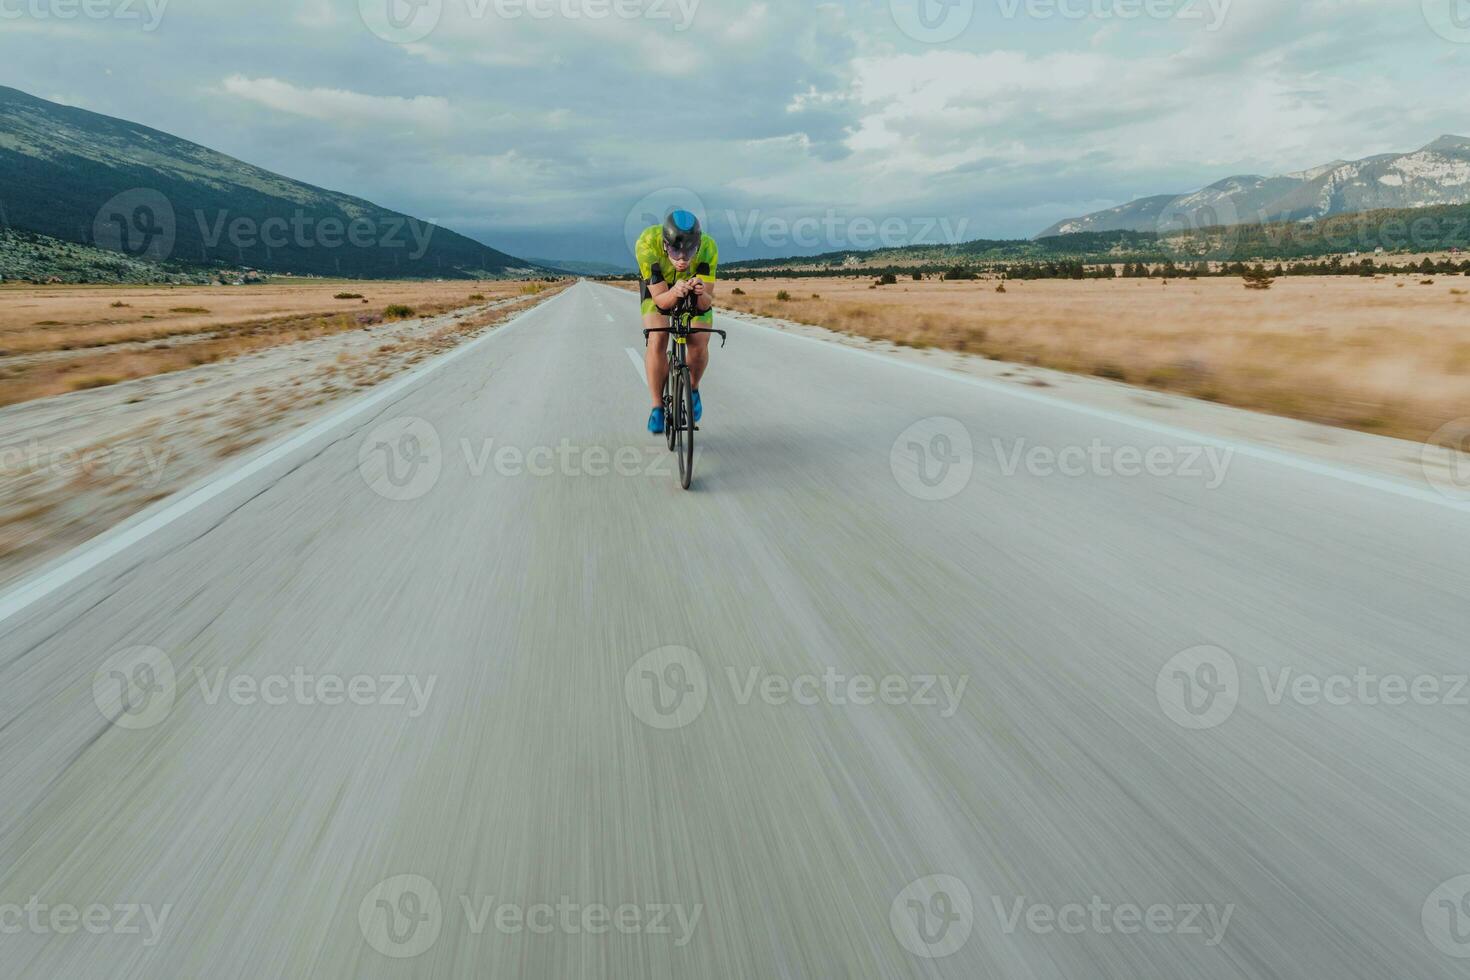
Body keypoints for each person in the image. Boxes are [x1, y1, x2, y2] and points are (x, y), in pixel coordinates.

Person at [635, 209, 718, 434]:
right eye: (674, 250)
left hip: (691, 290)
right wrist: (675, 293)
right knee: (657, 336)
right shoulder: (647, 244)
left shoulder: (709, 248)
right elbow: (661, 301)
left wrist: (700, 292)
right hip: (659, 289)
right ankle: (657, 407)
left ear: (698, 245)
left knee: (699, 341)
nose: (681, 259)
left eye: (689, 251)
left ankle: (692, 387)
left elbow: (705, 304)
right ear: (664, 244)